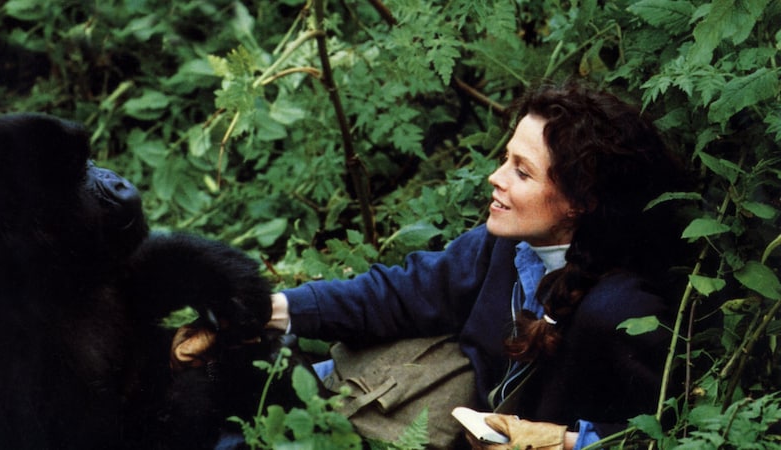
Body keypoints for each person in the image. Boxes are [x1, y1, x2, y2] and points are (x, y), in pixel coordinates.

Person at [265, 82, 687, 449]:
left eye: (522, 172)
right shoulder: (505, 244)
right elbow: (403, 293)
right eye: (506, 159)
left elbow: (663, 433)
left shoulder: (622, 311)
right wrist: (268, 310)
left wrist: (559, 441)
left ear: (581, 202)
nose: (495, 177)